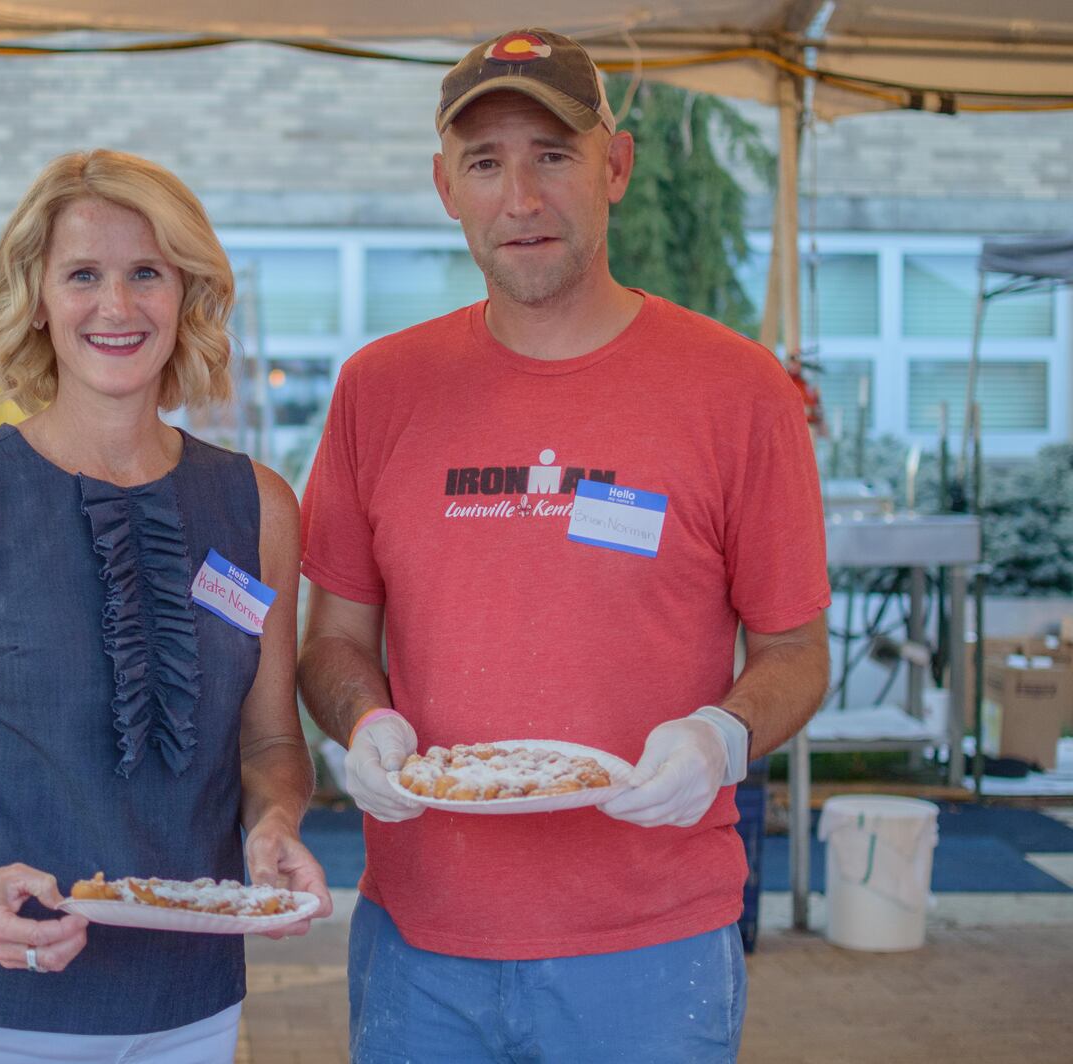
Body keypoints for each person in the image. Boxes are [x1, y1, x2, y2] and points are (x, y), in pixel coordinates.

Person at [298, 27, 830, 1064]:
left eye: (552, 154)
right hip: (420, 940)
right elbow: (333, 641)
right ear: (445, 186)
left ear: (616, 166)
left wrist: (721, 735)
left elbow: (796, 650)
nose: (522, 197)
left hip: (653, 941)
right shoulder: (380, 387)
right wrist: (361, 724)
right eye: (486, 162)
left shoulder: (736, 389)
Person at [0, 148, 332, 1062]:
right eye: (83, 275)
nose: (117, 305)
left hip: (191, 1007)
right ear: (37, 297)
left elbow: (270, 745)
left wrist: (276, 824)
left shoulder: (257, 505)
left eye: (147, 272)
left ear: (188, 294)